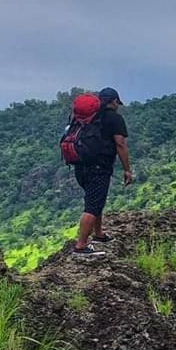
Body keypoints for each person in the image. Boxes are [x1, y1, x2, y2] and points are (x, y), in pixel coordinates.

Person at [72, 87, 134, 257]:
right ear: (114, 101)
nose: (118, 105)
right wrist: (127, 170)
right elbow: (120, 144)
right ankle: (81, 246)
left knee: (96, 200)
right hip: (99, 167)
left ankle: (98, 234)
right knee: (92, 206)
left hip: (80, 166)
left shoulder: (85, 118)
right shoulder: (114, 119)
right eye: (117, 102)